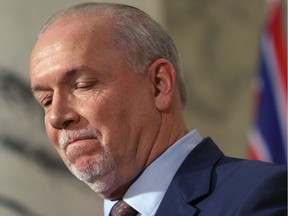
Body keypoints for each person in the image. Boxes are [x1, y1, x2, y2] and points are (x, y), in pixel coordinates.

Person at [29, 2, 287, 216]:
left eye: (82, 85)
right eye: (46, 101)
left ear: (159, 84)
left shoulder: (261, 197)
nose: (57, 116)